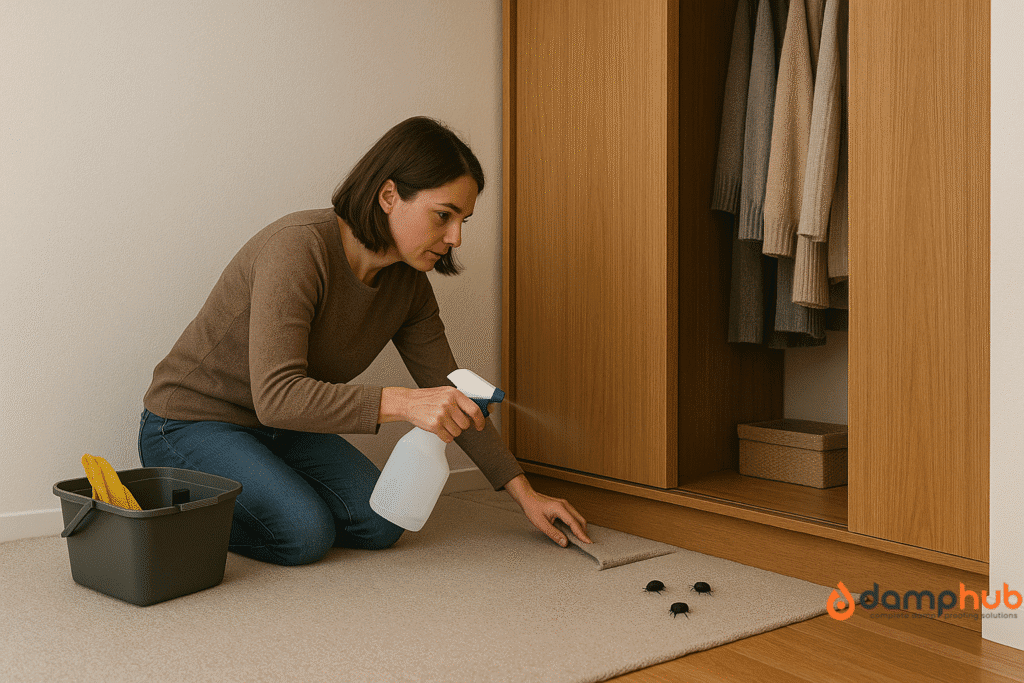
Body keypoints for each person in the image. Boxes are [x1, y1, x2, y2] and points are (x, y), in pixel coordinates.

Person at [138, 116, 592, 566]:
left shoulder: (409, 286)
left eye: (463, 221)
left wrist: (525, 494)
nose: (455, 238)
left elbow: (451, 389)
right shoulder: (297, 250)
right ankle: (167, 515)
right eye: (444, 215)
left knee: (381, 521)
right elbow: (277, 398)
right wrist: (405, 403)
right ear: (389, 195)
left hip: (284, 429)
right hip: (191, 423)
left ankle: (268, 494)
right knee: (305, 534)